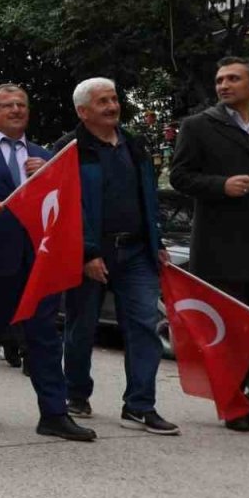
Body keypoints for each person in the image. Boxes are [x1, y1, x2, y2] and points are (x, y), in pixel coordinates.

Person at [0, 84, 97, 441]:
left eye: (21, 105)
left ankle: (54, 413)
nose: (16, 110)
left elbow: (62, 202)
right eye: (7, 105)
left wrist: (47, 174)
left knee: (44, 339)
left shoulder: (44, 155)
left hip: (36, 265)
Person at [55, 78, 179, 435]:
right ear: (83, 111)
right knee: (81, 328)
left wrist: (156, 241)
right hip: (92, 254)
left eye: (114, 99)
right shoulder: (69, 149)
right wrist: (87, 253)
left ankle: (140, 406)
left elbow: (148, 197)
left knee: (143, 326)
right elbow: (67, 208)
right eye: (102, 102)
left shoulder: (134, 144)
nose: (112, 106)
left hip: (138, 251)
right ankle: (76, 394)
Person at [169, 56, 249, 432]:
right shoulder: (199, 126)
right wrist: (221, 185)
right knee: (232, 332)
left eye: (233, 78)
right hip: (223, 248)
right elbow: (180, 176)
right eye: (220, 79)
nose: (224, 85)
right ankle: (236, 404)